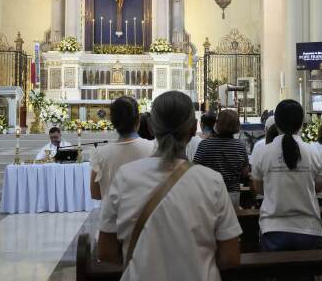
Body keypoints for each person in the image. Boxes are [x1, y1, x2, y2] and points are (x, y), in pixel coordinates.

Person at [98, 91, 242, 281]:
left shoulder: (125, 176)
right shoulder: (211, 180)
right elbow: (230, 257)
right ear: (193, 128)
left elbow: (106, 251)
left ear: (150, 127)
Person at [252, 99, 322, 253]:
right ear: (301, 123)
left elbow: (258, 189)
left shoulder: (262, 152)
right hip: (308, 229)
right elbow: (319, 187)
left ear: (276, 123)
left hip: (273, 229)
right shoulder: (313, 152)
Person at [90, 96, 156, 202]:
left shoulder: (100, 154)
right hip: (144, 216)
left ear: (112, 121)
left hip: (111, 216)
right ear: (138, 120)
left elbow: (95, 194)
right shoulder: (154, 148)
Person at [193, 110, 249, 208]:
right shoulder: (240, 146)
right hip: (233, 194)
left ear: (217, 124)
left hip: (210, 193)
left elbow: (195, 169)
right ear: (237, 126)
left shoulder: (205, 144)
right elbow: (244, 172)